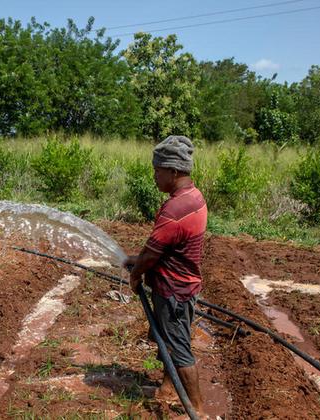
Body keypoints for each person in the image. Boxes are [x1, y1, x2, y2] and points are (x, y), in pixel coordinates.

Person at [123, 135, 208, 414]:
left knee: (180, 350)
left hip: (173, 291)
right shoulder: (193, 197)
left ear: (173, 171)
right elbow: (163, 250)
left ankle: (197, 410)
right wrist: (137, 261)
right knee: (169, 341)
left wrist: (136, 273)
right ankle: (167, 388)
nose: (154, 176)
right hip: (180, 285)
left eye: (157, 170)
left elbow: (150, 254)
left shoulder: (175, 208)